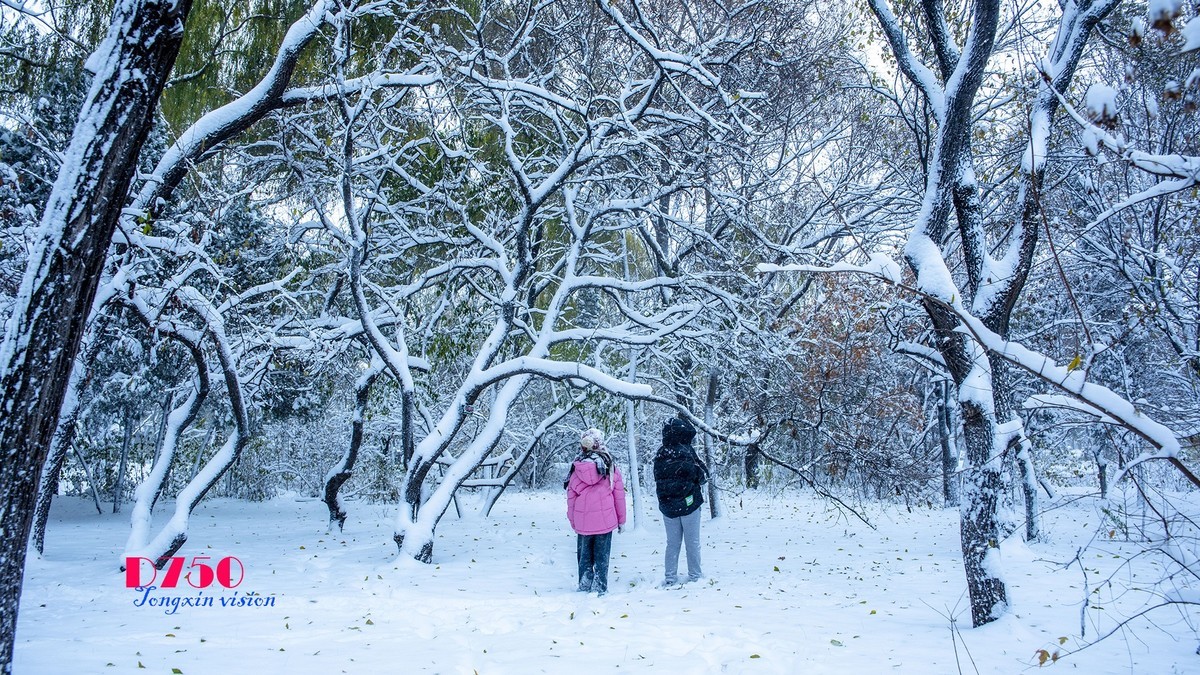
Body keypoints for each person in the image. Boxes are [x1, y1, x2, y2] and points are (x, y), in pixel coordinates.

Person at [566, 428, 626, 595]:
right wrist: (621, 520)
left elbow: (570, 498)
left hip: (583, 522)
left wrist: (573, 520)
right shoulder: (610, 467)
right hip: (605, 522)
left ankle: (585, 584)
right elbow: (618, 495)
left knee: (584, 556)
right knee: (602, 557)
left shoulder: (576, 468)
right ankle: (600, 586)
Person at [653, 416, 708, 586]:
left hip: (668, 506)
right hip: (689, 504)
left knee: (672, 544)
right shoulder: (687, 452)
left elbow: (658, 478)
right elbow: (701, 475)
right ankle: (695, 576)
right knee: (692, 542)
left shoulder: (661, 454)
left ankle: (670, 577)